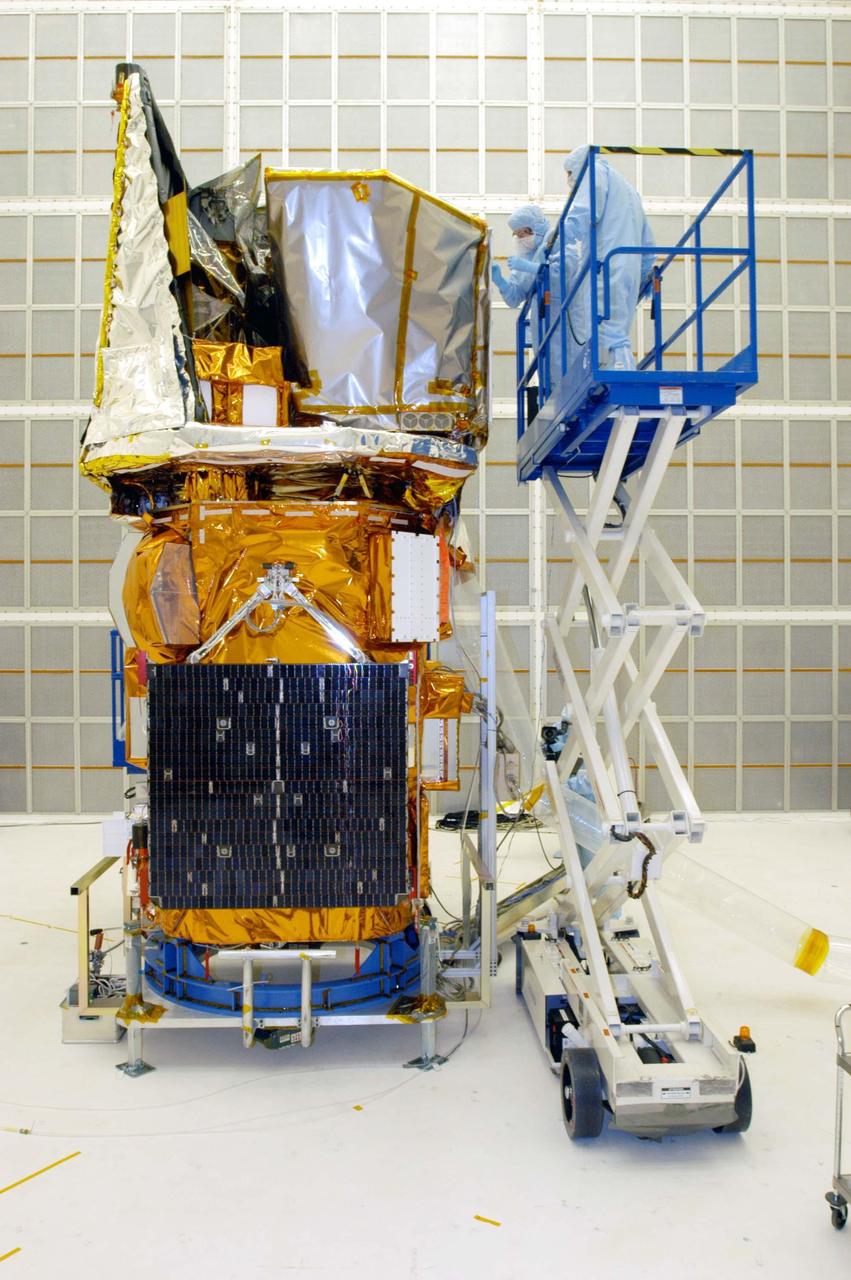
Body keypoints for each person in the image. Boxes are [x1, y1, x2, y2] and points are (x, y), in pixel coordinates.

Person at [560, 145, 656, 370]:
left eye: (569, 173)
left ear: (578, 165)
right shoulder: (628, 190)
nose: (569, 180)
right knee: (616, 329)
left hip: (605, 266)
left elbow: (584, 211)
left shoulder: (593, 172)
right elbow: (648, 242)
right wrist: (643, 276)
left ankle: (619, 374)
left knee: (604, 330)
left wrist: (557, 240)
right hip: (628, 267)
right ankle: (621, 372)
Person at [491, 204, 551, 308]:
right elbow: (515, 299)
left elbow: (564, 273)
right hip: (541, 314)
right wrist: (501, 282)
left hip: (565, 312)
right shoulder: (523, 257)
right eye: (517, 235)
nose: (520, 239)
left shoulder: (555, 241)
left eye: (523, 233)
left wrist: (531, 267)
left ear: (537, 228)